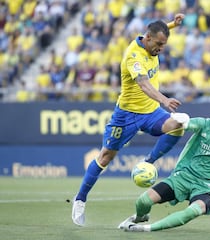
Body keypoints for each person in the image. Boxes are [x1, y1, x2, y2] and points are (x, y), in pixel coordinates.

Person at [72, 14, 187, 226]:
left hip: (150, 112)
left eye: (164, 45)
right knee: (105, 157)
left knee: (179, 124)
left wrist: (173, 24)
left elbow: (157, 30)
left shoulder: (150, 41)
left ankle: (148, 162)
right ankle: (80, 199)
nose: (161, 49)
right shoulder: (133, 56)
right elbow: (143, 84)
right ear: (149, 39)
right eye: (159, 44)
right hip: (126, 116)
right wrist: (164, 99)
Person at [118, 99, 210, 232]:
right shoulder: (206, 124)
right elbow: (188, 124)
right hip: (183, 177)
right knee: (143, 201)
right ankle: (141, 217)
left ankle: (145, 228)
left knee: (192, 212)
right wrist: (182, 121)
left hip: (207, 186)